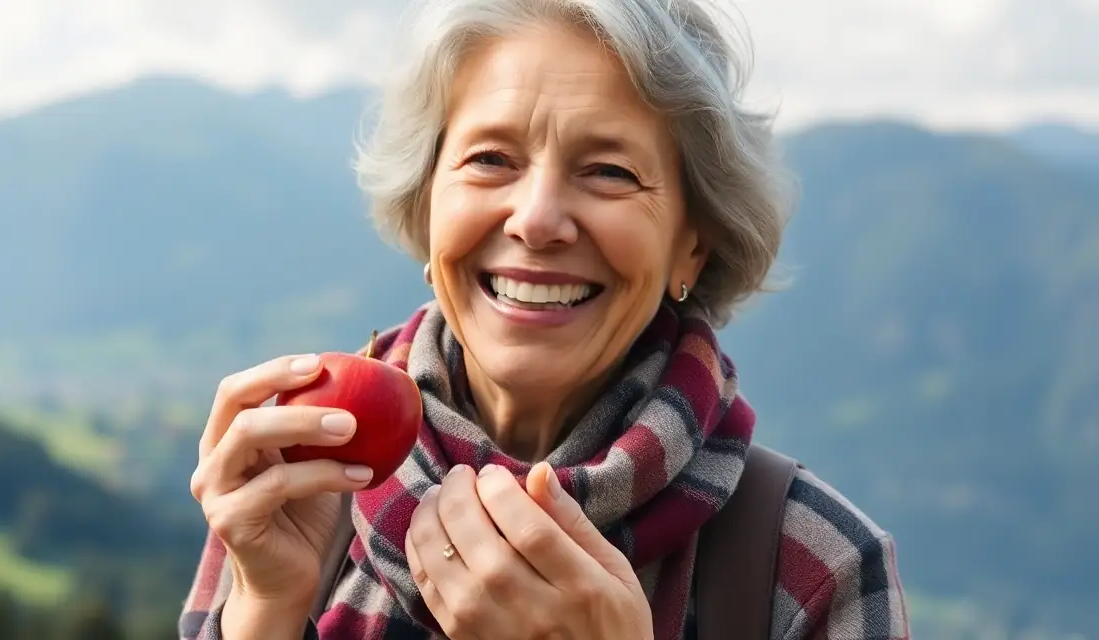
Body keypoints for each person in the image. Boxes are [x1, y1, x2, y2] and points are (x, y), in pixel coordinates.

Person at [180, 0, 910, 637]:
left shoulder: (816, 568)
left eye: (609, 171)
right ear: (426, 204)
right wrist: (265, 610)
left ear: (691, 247)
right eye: (492, 159)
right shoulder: (302, 490)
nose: (536, 220)